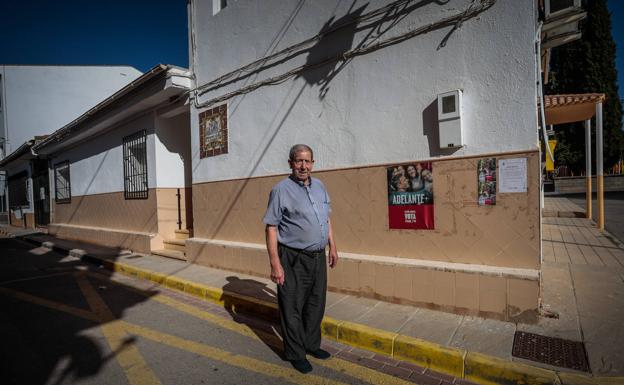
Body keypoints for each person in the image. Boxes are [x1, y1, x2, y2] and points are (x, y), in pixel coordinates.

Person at [263, 144, 339, 374]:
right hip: (292, 258)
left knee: (315, 304)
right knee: (291, 306)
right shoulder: (280, 190)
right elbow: (271, 227)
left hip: (317, 257)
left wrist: (333, 246)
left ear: (313, 163)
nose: (303, 166)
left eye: (307, 161)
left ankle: (311, 345)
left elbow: (326, 220)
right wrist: (275, 263)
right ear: (290, 163)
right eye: (299, 161)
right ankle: (295, 353)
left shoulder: (320, 186)